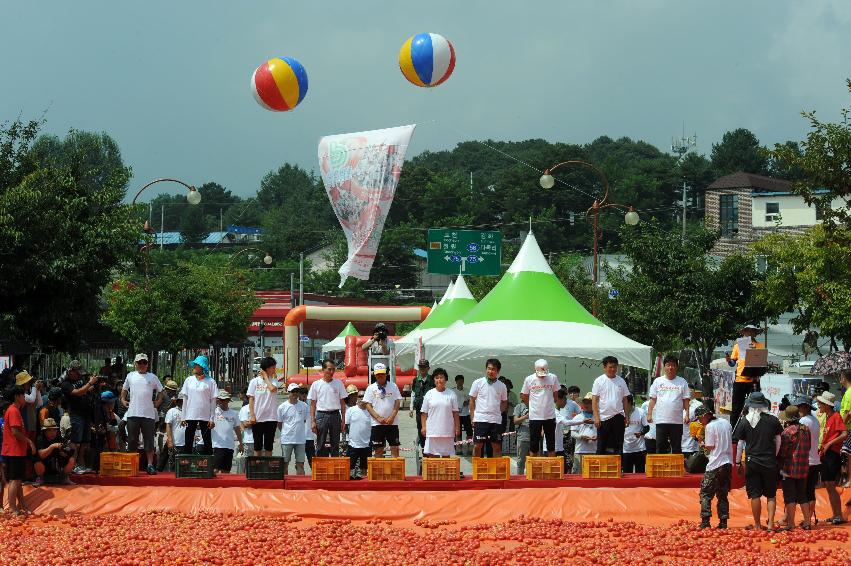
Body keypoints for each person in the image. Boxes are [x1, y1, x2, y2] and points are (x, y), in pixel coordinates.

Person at [732, 391, 783, 530]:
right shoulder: (773, 420)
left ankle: (757, 524)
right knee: (771, 495)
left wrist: (737, 462)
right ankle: (771, 524)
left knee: (755, 495)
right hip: (769, 461)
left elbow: (740, 445)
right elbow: (779, 440)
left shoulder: (745, 421)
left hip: (752, 461)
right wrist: (774, 454)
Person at [121, 353, 165, 475]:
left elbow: (161, 391)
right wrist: (123, 400)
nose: (142, 365)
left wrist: (158, 402)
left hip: (148, 414)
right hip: (133, 412)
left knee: (149, 440)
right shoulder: (130, 376)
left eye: (144, 362)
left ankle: (150, 465)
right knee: (132, 440)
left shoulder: (152, 377)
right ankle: (132, 465)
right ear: (135, 364)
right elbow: (124, 390)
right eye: (139, 362)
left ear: (147, 364)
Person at [696, 405, 732, 530]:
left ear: (705, 416)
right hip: (727, 463)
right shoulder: (726, 422)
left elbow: (710, 446)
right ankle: (723, 522)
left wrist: (701, 443)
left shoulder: (710, 426)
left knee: (705, 493)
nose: (700, 421)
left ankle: (705, 522)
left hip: (715, 464)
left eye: (700, 418)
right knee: (722, 494)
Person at [59, 361, 99, 475]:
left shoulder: (81, 379)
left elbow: (86, 389)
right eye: (76, 372)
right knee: (75, 441)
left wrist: (90, 386)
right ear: (71, 371)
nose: (78, 374)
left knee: (85, 441)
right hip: (76, 414)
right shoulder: (65, 384)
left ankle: (81, 463)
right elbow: (77, 392)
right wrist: (89, 384)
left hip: (86, 413)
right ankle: (73, 464)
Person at [777, 405, 812, 531]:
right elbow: (809, 447)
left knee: (790, 496)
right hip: (804, 467)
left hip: (789, 469)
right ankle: (807, 522)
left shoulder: (786, 432)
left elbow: (783, 452)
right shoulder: (806, 429)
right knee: (803, 495)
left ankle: (791, 523)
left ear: (787, 419)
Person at [2, 386, 36, 516]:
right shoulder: (13, 411)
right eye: (23, 395)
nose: (25, 398)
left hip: (16, 451)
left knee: (18, 480)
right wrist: (29, 441)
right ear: (17, 396)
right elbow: (15, 432)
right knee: (14, 480)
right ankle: (12, 508)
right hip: (13, 451)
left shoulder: (15, 410)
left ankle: (21, 504)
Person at [647, 354, 690, 454]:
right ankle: (661, 469)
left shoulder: (682, 382)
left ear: (677, 367)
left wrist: (687, 414)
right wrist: (649, 414)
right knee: (660, 446)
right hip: (661, 420)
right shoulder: (658, 381)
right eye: (668, 365)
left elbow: (686, 400)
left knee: (676, 448)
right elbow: (653, 399)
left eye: (673, 365)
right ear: (664, 367)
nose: (670, 367)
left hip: (677, 421)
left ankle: (675, 469)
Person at [816, 391, 848, 525]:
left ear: (827, 405)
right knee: (828, 485)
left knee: (830, 485)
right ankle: (836, 514)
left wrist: (830, 443)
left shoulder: (835, 417)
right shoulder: (828, 417)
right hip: (826, 453)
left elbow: (844, 433)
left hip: (832, 454)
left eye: (820, 403)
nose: (818, 405)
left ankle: (838, 515)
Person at [179, 355, 218, 455]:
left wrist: (212, 418)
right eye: (194, 364)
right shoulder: (189, 380)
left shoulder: (211, 382)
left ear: (202, 367)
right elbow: (185, 398)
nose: (194, 367)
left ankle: (208, 465)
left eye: (196, 365)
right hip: (190, 414)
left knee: (207, 441)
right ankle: (186, 464)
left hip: (205, 415)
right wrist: (183, 416)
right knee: (188, 440)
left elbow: (213, 401)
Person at [308, 359, 348, 457]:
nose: (331, 372)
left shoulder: (338, 383)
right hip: (322, 414)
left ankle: (334, 468)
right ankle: (320, 469)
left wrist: (343, 420)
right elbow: (313, 404)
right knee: (320, 443)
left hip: (335, 414)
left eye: (333, 369)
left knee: (335, 443)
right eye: (329, 369)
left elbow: (343, 403)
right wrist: (312, 421)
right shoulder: (316, 384)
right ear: (323, 370)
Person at [521, 359, 560, 457]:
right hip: (535, 416)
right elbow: (524, 395)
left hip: (549, 416)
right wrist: (531, 406)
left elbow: (556, 393)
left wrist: (550, 404)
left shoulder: (553, 378)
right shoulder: (529, 379)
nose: (542, 376)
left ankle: (552, 468)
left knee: (551, 445)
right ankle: (534, 469)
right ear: (535, 370)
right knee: (534, 446)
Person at [469, 359, 508, 458]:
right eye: (489, 369)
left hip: (496, 420)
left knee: (497, 447)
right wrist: (472, 418)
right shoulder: (477, 382)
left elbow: (504, 401)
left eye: (493, 369)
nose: (490, 371)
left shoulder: (502, 386)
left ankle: (495, 472)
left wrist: (499, 412)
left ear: (498, 371)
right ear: (486, 369)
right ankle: (477, 471)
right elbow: (472, 400)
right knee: (478, 446)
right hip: (480, 419)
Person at [727, 324, 765, 426]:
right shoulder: (738, 345)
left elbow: (761, 362)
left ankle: (755, 429)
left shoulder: (760, 346)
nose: (750, 333)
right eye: (747, 331)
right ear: (744, 333)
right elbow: (732, 363)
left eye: (752, 331)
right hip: (740, 380)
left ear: (755, 333)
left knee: (755, 406)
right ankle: (734, 430)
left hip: (754, 380)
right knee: (736, 407)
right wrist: (728, 360)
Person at [592, 356, 630, 455]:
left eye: (615, 367)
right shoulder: (599, 381)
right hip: (604, 417)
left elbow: (625, 399)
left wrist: (627, 416)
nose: (613, 369)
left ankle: (619, 468)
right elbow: (594, 400)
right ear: (604, 367)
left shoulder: (621, 381)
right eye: (610, 367)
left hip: (618, 416)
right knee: (602, 444)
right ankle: (599, 467)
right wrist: (596, 417)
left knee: (619, 444)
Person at [363, 363, 402, 458]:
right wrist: (378, 417)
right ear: (374, 375)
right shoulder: (370, 388)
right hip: (377, 424)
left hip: (392, 423)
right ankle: (378, 472)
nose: (380, 376)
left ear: (386, 374)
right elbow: (368, 405)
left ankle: (395, 472)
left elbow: (397, 402)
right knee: (378, 450)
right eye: (378, 374)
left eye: (382, 373)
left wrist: (392, 417)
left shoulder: (393, 386)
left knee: (395, 449)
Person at [420, 368, 460, 458]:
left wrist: (457, 427)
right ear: (434, 380)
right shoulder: (429, 394)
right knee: (433, 457)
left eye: (441, 377)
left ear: (445, 379)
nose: (439, 380)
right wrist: (423, 427)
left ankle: (445, 473)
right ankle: (434, 473)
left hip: (447, 431)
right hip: (433, 431)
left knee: (446, 457)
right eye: (437, 378)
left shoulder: (451, 394)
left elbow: (456, 413)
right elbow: (424, 413)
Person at [794, 395, 821, 527]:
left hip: (806, 461)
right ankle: (808, 518)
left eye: (799, 406)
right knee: (810, 491)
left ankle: (806, 520)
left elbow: (800, 441)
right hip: (815, 459)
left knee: (801, 491)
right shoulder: (815, 420)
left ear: (804, 407)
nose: (798, 408)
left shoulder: (804, 421)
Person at [247, 357, 280, 457]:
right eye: (273, 367)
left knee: (269, 445)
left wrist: (266, 377)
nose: (275, 369)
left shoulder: (274, 381)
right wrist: (252, 415)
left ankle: (267, 469)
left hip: (271, 417)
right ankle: (257, 468)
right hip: (258, 417)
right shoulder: (254, 382)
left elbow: (272, 389)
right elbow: (251, 399)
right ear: (267, 368)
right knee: (257, 445)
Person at [277, 383, 309, 476]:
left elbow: (304, 420)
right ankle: (285, 486)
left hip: (300, 440)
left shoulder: (304, 406)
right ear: (289, 393)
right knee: (285, 464)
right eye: (293, 391)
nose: (295, 393)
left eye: (297, 391)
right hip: (287, 439)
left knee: (300, 464)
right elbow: (279, 423)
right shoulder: (282, 407)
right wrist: (285, 432)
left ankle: (300, 486)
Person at [34, 418, 75, 486]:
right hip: (44, 463)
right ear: (45, 431)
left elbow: (69, 450)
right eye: (49, 430)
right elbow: (41, 455)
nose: (52, 432)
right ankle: (40, 478)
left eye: (54, 430)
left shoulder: (59, 438)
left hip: (57, 463)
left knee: (71, 459)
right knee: (37, 461)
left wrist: (66, 453)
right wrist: (52, 447)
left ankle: (65, 478)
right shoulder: (40, 439)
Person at [211, 390, 242, 473]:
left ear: (228, 400)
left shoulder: (234, 413)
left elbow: (237, 430)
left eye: (225, 400)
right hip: (217, 445)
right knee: (215, 470)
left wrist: (241, 444)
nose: (223, 402)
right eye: (221, 400)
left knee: (226, 471)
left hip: (229, 445)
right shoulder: (213, 412)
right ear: (218, 400)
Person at [344, 386, 371, 479]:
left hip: (367, 445)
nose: (361, 398)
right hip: (353, 444)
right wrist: (349, 438)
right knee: (350, 469)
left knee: (364, 469)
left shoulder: (371, 411)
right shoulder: (351, 410)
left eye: (363, 396)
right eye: (360, 396)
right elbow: (346, 426)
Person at [570, 394, 597, 474]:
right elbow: (572, 433)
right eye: (585, 402)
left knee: (593, 474)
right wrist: (581, 437)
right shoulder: (578, 417)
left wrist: (597, 437)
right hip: (580, 450)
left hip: (594, 450)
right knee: (578, 473)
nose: (586, 405)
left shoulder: (598, 417)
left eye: (589, 402)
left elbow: (602, 432)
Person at [410, 359, 434, 449]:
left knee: (431, 427)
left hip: (431, 410)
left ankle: (431, 447)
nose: (422, 369)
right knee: (420, 428)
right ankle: (424, 449)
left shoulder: (432, 379)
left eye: (424, 367)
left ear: (428, 368)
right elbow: (413, 394)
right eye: (420, 367)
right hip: (419, 410)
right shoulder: (416, 380)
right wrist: (411, 408)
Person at [622, 395, 648, 474]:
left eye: (623, 402)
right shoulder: (621, 413)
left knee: (640, 475)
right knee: (627, 475)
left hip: (639, 449)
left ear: (629, 402)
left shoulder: (640, 412)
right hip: (626, 449)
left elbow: (647, 427)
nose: (622, 404)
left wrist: (641, 433)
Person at [164, 396, 187, 471]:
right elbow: (168, 425)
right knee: (174, 467)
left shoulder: (188, 411)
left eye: (183, 400)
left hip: (186, 444)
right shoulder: (172, 411)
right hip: (176, 443)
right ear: (177, 402)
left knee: (185, 467)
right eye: (180, 400)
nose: (182, 402)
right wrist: (170, 440)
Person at [453, 375, 472, 455]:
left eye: (461, 381)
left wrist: (467, 402)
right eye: (458, 381)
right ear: (456, 382)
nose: (460, 382)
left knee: (469, 432)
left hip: (466, 414)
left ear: (463, 381)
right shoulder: (452, 391)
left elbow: (472, 400)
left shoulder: (468, 390)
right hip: (457, 415)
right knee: (458, 432)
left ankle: (469, 448)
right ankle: (459, 449)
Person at [839, 370, 851, 488]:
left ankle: (850, 479)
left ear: (844, 378)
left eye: (841, 377)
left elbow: (848, 413)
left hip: (848, 427)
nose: (839, 379)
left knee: (848, 454)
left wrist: (840, 426)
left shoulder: (849, 393)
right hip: (847, 427)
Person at [513, 397, 531, 475]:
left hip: (534, 436)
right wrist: (525, 417)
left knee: (533, 461)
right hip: (523, 436)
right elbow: (515, 421)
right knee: (520, 461)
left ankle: (532, 479)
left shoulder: (536, 405)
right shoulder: (519, 406)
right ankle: (519, 478)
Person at [298, 387, 315, 467]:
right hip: (299, 438)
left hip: (309, 437)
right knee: (299, 462)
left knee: (312, 460)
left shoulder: (311, 406)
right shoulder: (295, 405)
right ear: (298, 394)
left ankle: (314, 476)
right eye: (302, 393)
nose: (304, 394)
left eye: (305, 392)